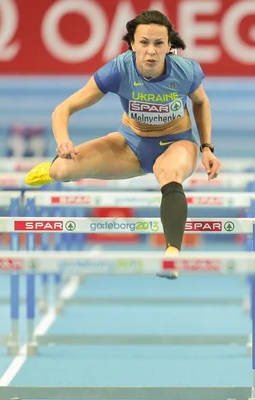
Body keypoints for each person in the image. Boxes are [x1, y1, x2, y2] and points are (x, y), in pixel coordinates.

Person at [24, 10, 221, 277]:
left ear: (169, 46)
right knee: (62, 172)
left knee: (169, 174)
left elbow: (201, 102)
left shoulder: (185, 71)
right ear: (132, 44)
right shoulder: (118, 69)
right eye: (144, 43)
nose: (151, 51)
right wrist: (63, 141)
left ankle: (172, 254)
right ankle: (51, 168)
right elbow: (63, 109)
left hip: (177, 143)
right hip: (130, 145)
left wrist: (206, 148)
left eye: (158, 44)